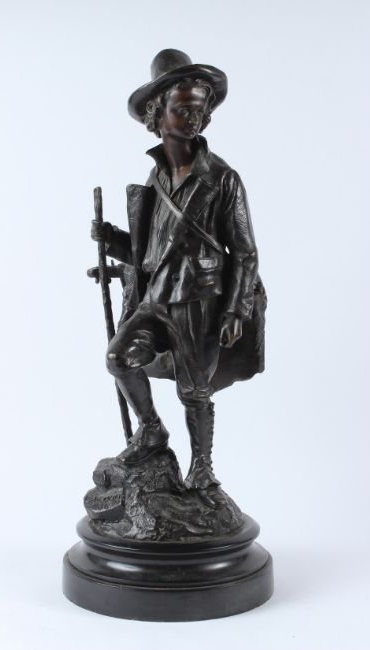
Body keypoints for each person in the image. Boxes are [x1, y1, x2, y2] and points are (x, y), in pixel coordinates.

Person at [91, 49, 264, 491]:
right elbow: (150, 251)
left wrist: (236, 310)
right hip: (157, 297)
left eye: (200, 111)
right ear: (158, 113)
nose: (194, 119)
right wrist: (111, 241)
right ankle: (152, 430)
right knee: (118, 358)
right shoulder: (156, 179)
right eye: (183, 109)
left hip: (200, 298)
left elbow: (245, 253)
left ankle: (202, 466)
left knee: (194, 390)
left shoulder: (221, 178)